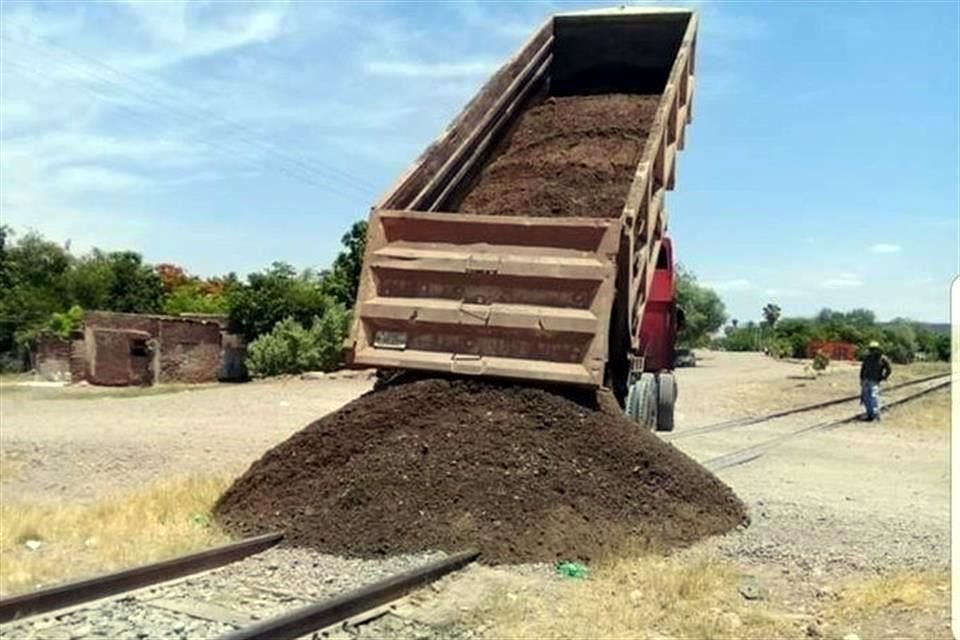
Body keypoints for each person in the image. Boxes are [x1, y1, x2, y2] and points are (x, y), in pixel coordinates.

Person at [859, 340, 891, 421]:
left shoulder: (883, 358)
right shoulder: (867, 357)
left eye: (874, 349)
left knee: (873, 398)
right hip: (866, 380)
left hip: (875, 381)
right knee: (866, 398)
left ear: (878, 349)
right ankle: (870, 415)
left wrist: (883, 377)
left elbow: (889, 369)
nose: (872, 351)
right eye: (871, 349)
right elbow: (863, 369)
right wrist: (861, 379)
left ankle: (876, 416)